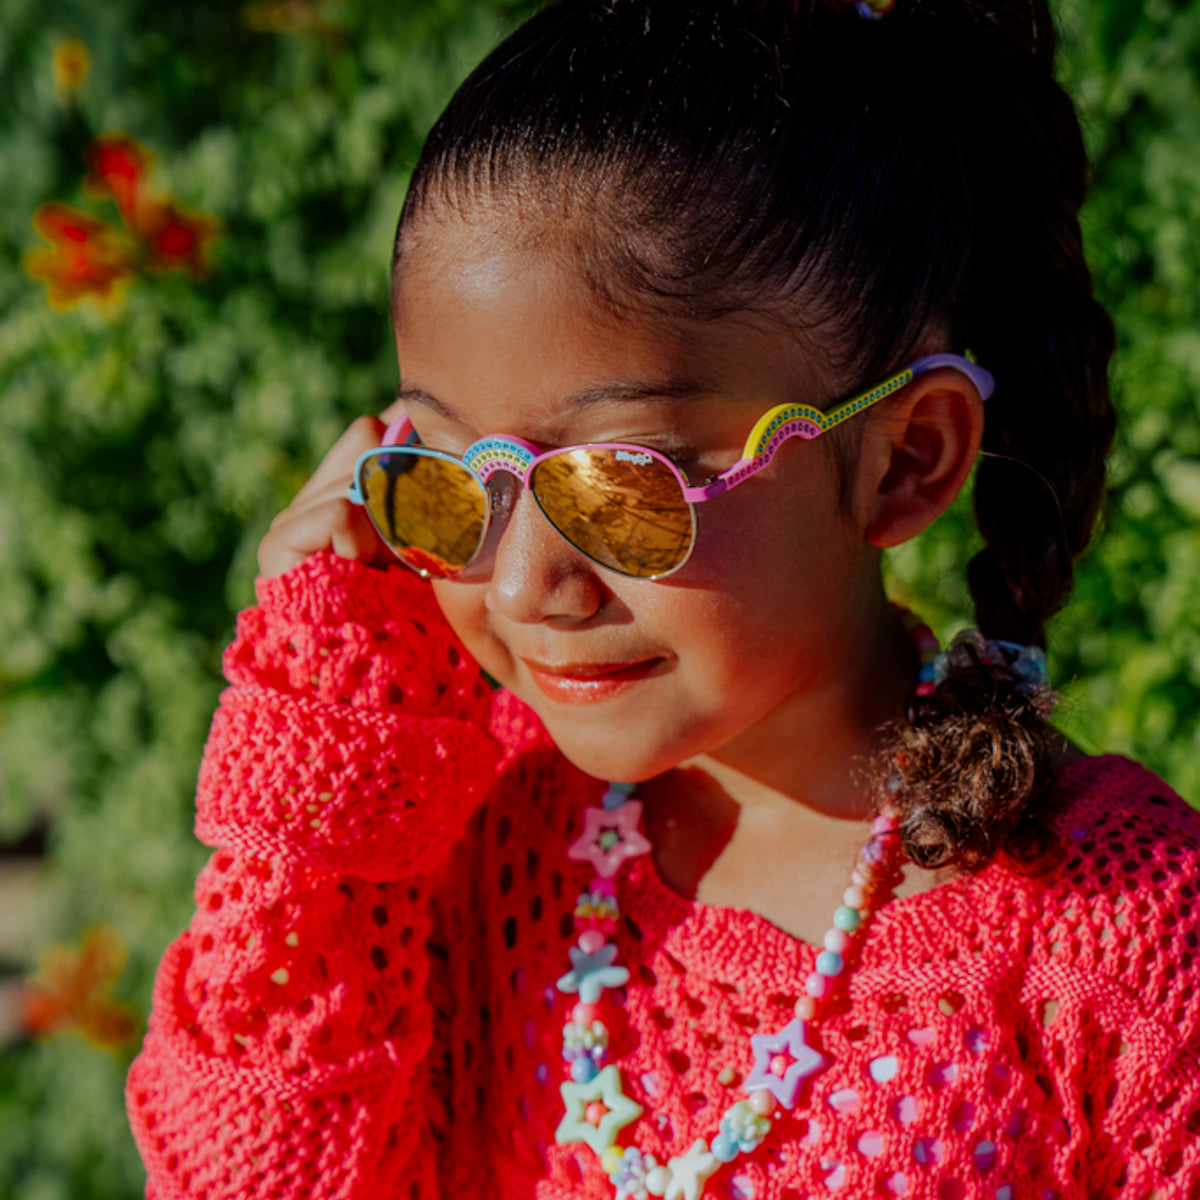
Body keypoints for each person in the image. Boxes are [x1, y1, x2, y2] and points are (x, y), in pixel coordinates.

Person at [125, 0, 1200, 1195]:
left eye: (621, 485)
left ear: (908, 459)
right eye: (450, 478)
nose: (529, 584)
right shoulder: (452, 835)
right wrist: (321, 759)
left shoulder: (1123, 939)